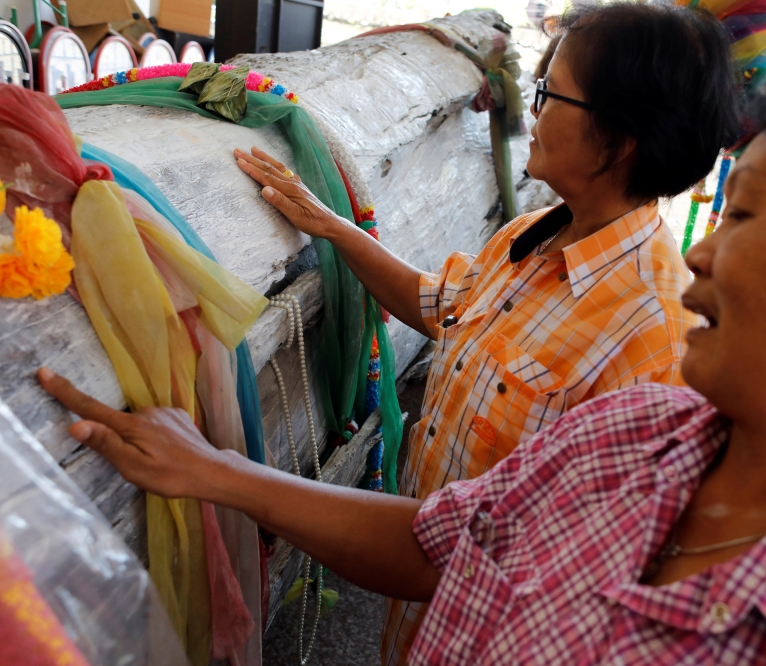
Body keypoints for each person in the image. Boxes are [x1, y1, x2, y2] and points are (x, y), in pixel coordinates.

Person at [41, 70, 766, 663]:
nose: (704, 253)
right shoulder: (635, 437)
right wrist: (208, 470)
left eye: (744, 217)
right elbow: (441, 545)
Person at [231, 3, 738, 660]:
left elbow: (560, 576)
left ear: (621, 137)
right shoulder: (531, 239)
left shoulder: (654, 345)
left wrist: (222, 475)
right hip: (418, 620)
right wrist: (331, 226)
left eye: (549, 92)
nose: (530, 110)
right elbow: (441, 305)